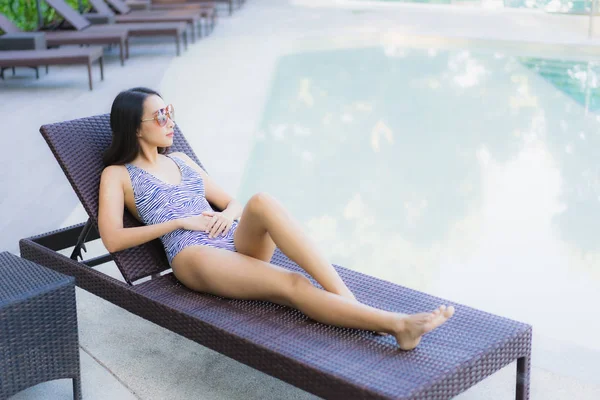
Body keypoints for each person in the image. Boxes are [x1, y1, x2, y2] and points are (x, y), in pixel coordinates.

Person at [98, 87, 454, 350]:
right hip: (193, 253)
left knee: (262, 201)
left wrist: (229, 215)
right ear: (135, 129)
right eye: (160, 116)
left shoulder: (183, 161)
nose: (170, 121)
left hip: (230, 239)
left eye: (170, 111)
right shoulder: (118, 175)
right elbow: (112, 238)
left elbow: (232, 202)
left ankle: (348, 299)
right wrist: (179, 223)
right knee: (294, 285)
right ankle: (398, 326)